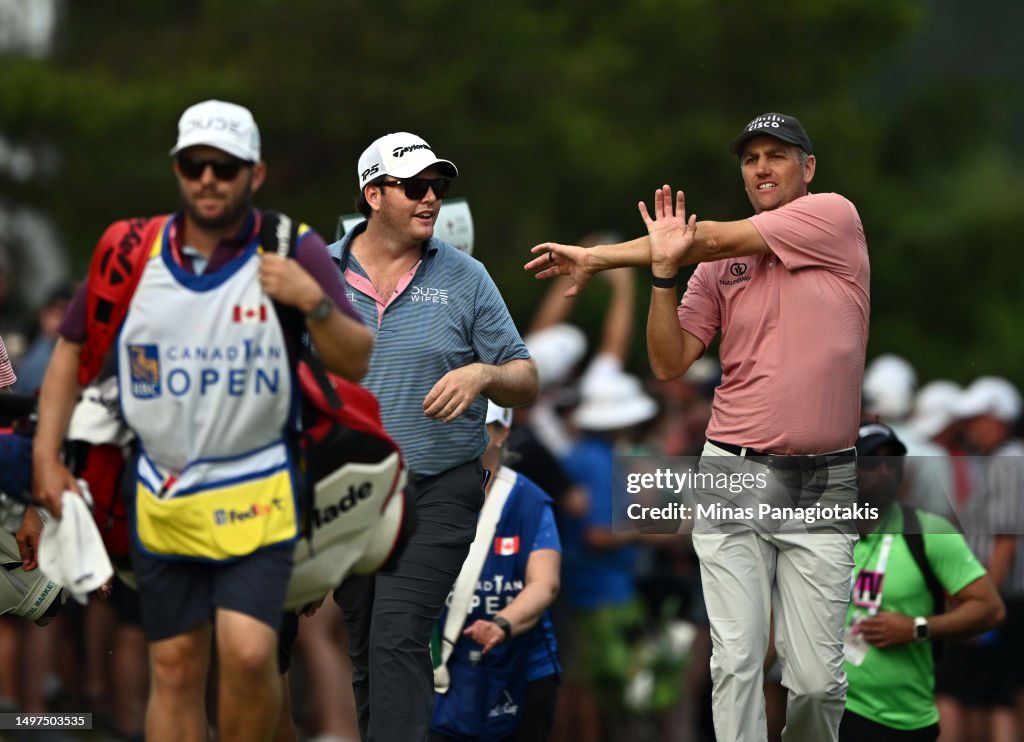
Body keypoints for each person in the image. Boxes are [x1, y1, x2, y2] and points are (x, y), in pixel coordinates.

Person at [29, 99, 374, 742]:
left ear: (255, 174)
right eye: (195, 165)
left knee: (247, 657)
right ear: (179, 171)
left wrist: (311, 303)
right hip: (160, 492)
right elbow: (72, 351)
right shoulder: (131, 249)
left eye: (224, 165)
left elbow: (356, 359)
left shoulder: (289, 246)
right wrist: (48, 459)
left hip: (260, 488)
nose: (208, 178)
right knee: (176, 665)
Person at [527, 111, 870, 742]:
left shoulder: (833, 217)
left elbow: (707, 238)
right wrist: (660, 274)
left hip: (819, 478)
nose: (762, 167)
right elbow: (668, 360)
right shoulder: (717, 268)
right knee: (736, 661)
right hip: (730, 468)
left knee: (817, 680)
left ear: (808, 168)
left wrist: (600, 258)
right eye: (750, 159)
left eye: (777, 155)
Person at [328, 131, 538, 742]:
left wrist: (483, 373)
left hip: (437, 490)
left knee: (397, 632)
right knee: (369, 648)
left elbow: (525, 377)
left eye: (437, 188)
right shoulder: (320, 273)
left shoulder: (466, 276)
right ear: (372, 194)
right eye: (414, 186)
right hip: (347, 496)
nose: (430, 199)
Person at [840, 422, 1004, 741]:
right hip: (834, 710)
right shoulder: (821, 533)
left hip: (905, 719)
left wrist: (916, 627)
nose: (885, 470)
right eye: (873, 461)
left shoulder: (930, 532)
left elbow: (990, 609)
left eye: (893, 462)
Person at [430, 402, 560, 742]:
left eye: (479, 425)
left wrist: (502, 623)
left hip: (521, 671)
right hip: (440, 670)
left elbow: (544, 584)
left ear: (503, 433)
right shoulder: (425, 494)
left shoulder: (529, 502)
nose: (465, 433)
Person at [935, 376, 1024, 742]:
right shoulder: (1006, 459)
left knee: (968, 692)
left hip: (1002, 595)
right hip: (1006, 595)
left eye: (977, 419)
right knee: (993, 696)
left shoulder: (1007, 461)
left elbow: (1006, 540)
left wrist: (981, 600)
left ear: (997, 418)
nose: (970, 428)